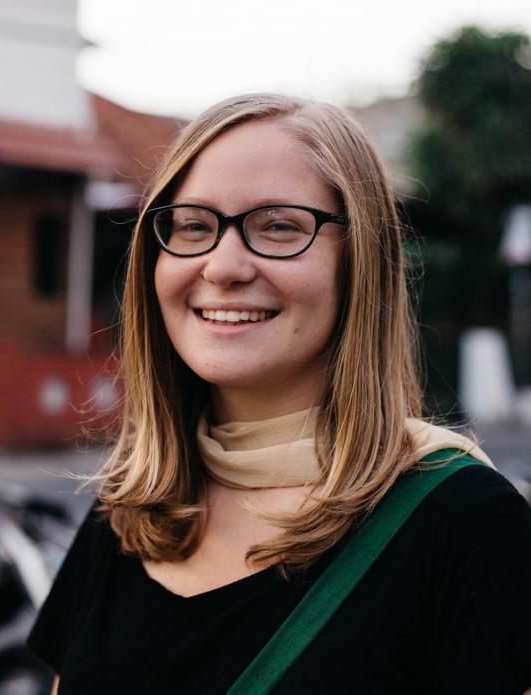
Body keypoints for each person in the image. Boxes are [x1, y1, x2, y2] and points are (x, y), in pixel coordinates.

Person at [27, 93, 531, 695]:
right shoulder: (128, 509)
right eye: (193, 225)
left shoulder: (462, 520)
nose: (223, 265)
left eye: (279, 226)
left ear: (360, 262)